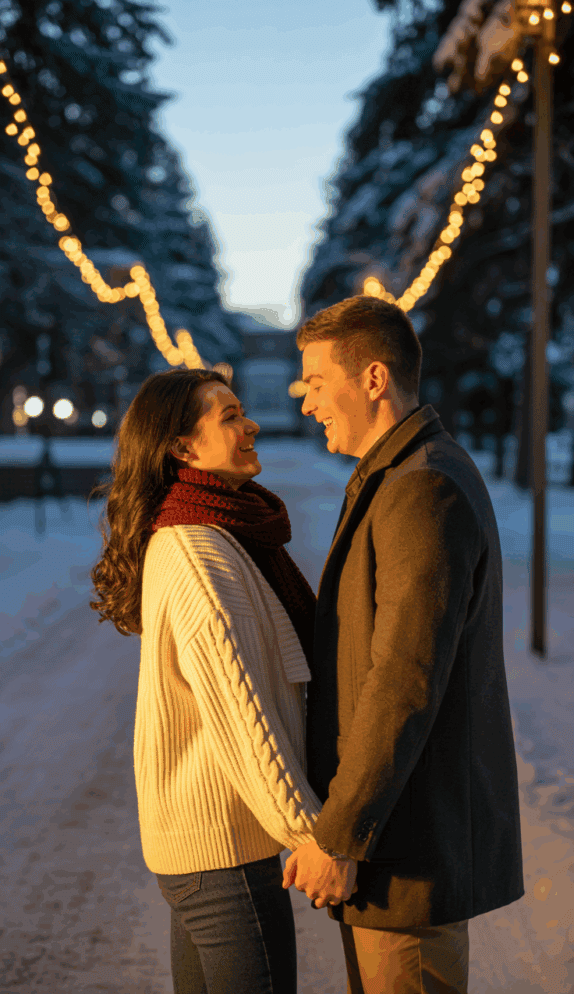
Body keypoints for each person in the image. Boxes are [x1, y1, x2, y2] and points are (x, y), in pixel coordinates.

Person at [282, 295, 524, 994]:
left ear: (374, 379)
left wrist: (338, 834)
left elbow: (403, 679)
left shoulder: (424, 488)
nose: (307, 404)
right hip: (396, 843)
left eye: (318, 384)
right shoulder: (405, 473)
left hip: (409, 848)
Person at [90, 367, 330, 994]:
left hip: (208, 855)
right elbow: (248, 718)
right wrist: (317, 837)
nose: (250, 424)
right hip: (224, 857)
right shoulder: (200, 552)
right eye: (229, 416)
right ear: (183, 449)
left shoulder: (221, 534)